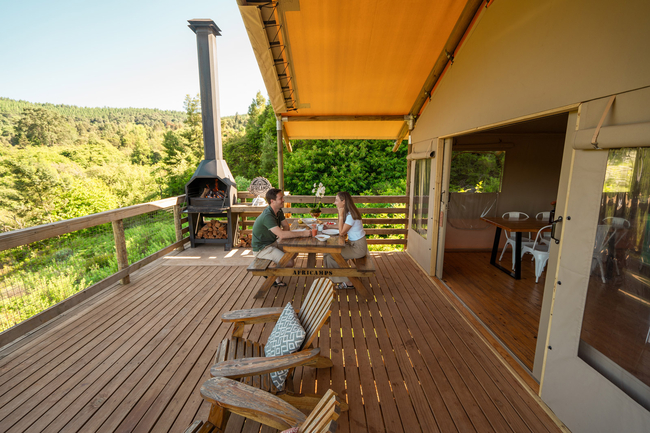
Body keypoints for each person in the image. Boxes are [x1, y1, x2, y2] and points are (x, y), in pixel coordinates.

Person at [252, 188, 311, 286]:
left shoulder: (279, 211)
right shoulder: (267, 216)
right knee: (290, 263)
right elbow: (282, 234)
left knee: (294, 251)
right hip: (262, 249)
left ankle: (276, 278)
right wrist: (303, 233)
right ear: (272, 201)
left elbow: (286, 226)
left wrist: (283, 237)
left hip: (272, 243)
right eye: (280, 198)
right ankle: (270, 274)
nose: (283, 200)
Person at [323, 191, 369, 289]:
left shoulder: (351, 215)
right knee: (326, 253)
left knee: (331, 255)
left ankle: (348, 282)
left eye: (336, 200)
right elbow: (343, 227)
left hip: (358, 248)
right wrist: (328, 227)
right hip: (354, 245)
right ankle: (335, 278)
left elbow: (341, 233)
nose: (335, 203)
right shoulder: (349, 213)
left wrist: (340, 215)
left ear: (343, 201)